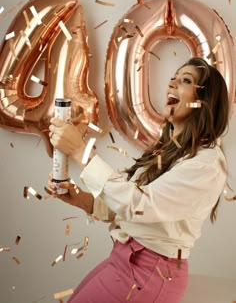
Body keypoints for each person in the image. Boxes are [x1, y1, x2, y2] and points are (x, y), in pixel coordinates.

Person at [48, 57, 229, 303]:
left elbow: (140, 206)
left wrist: (81, 151)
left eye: (185, 80)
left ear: (205, 102)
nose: (172, 82)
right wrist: (82, 200)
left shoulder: (207, 163)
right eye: (174, 77)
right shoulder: (167, 151)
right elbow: (127, 204)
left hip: (151, 272)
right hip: (125, 258)